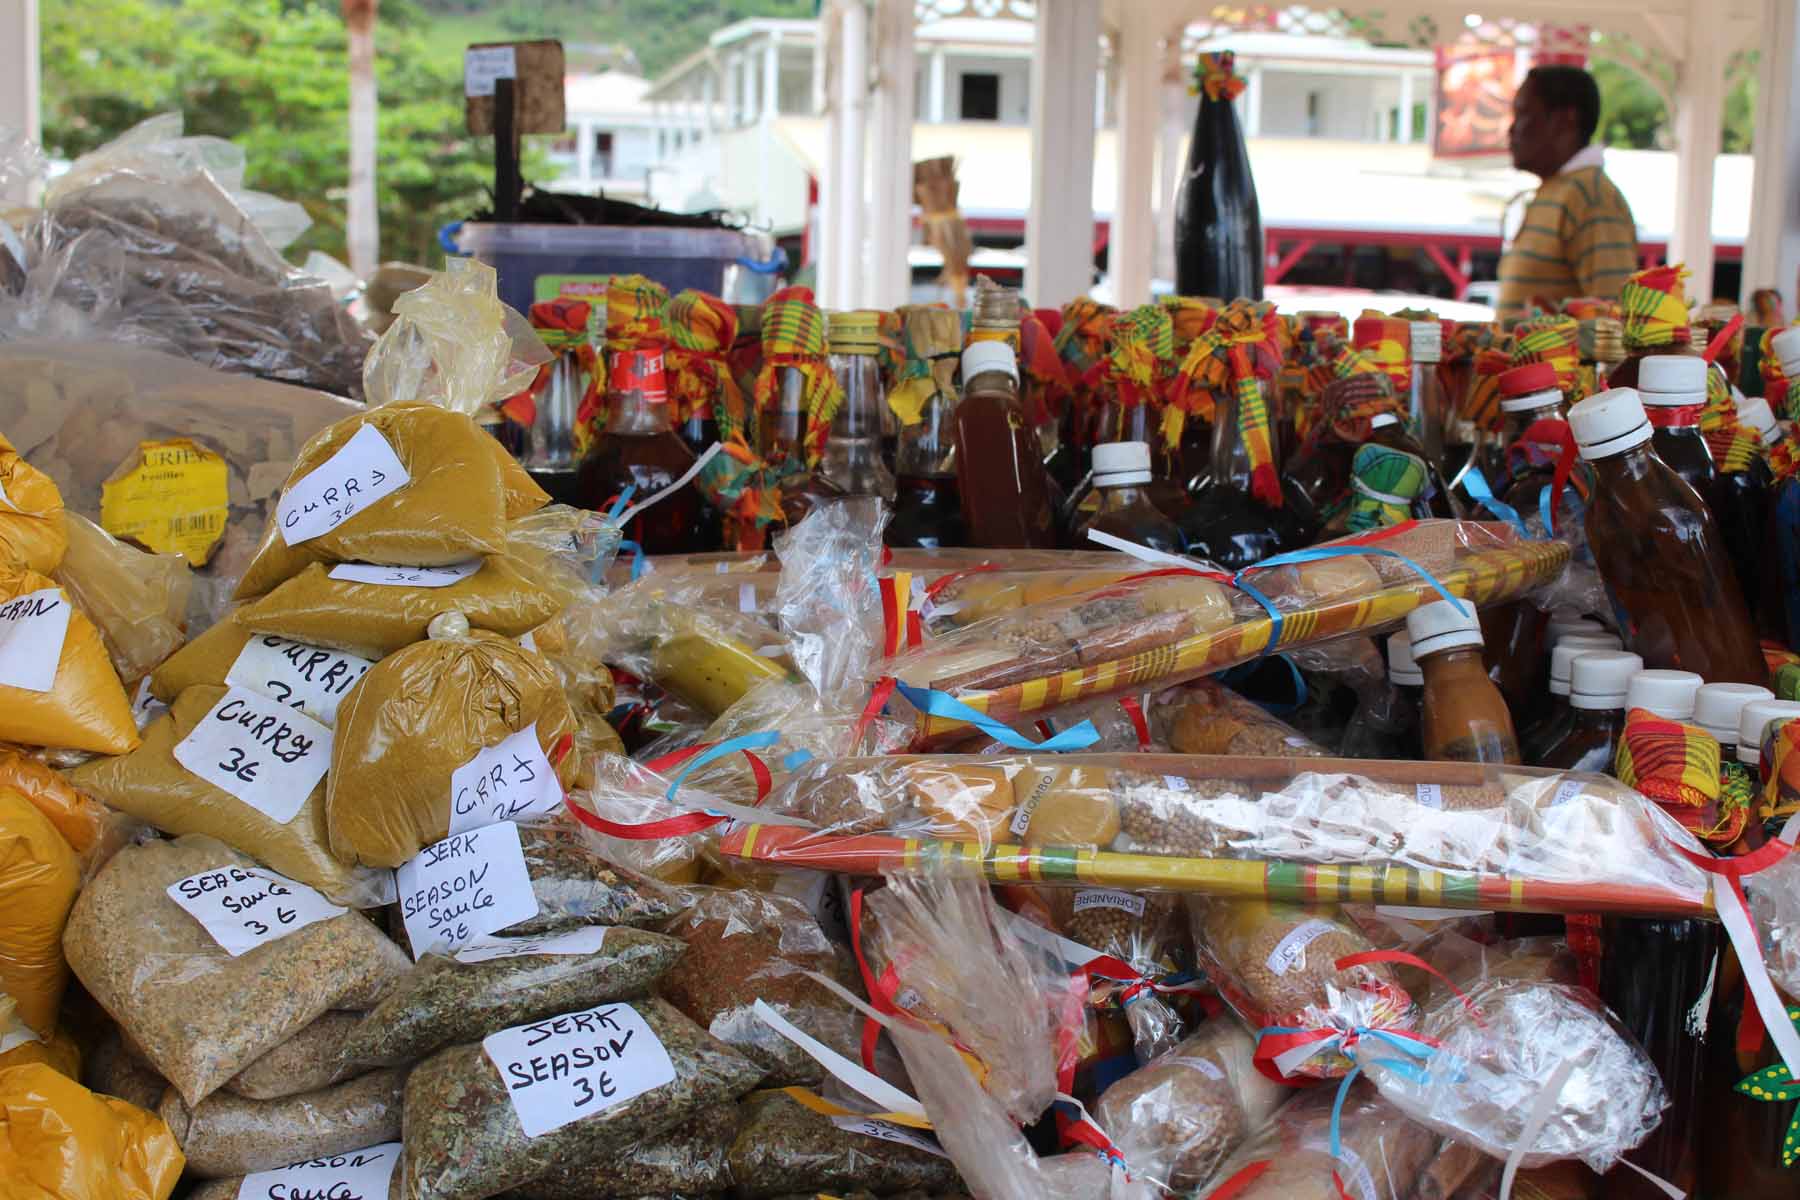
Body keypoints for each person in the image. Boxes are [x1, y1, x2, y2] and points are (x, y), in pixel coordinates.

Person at [1497, 65, 1640, 323]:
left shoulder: (1591, 198)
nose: (1512, 130)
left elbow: (1614, 316)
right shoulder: (1560, 189)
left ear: (1565, 120)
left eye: (1523, 115)